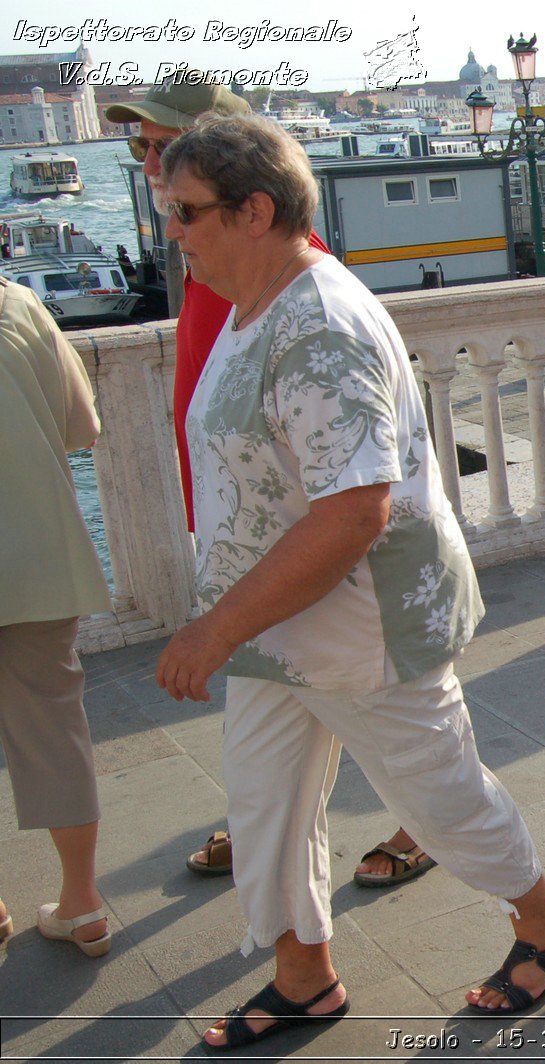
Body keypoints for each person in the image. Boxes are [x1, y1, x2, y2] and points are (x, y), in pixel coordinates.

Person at [153, 115, 545, 1050]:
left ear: (254, 210)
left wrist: (213, 628)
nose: (171, 230)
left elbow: (352, 514)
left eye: (185, 212)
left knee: (437, 796)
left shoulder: (319, 327)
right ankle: (304, 976)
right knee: (265, 802)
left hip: (359, 626)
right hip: (275, 627)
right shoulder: (248, 303)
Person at [103, 72, 425, 888]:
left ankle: (457, 854)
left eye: (163, 145)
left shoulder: (284, 277)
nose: (151, 164)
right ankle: (294, 919)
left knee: (422, 755)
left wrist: (220, 622)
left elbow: (348, 493)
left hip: (315, 568)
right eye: (142, 147)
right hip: (263, 561)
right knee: (280, 759)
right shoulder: (213, 251)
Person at [0, 277, 115, 960]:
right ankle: (82, 903)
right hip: (40, 555)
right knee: (56, 728)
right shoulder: (17, 302)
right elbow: (83, 426)